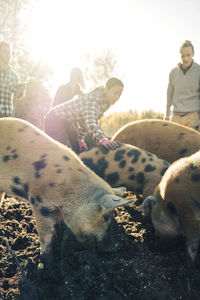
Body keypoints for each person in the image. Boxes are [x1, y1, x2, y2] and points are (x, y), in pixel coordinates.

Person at [44, 77, 123, 154]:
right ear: (106, 89)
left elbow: (84, 123)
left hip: (67, 122)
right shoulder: (93, 100)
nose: (117, 97)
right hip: (54, 119)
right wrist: (102, 139)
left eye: (119, 95)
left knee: (76, 149)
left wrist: (81, 140)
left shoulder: (104, 104)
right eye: (115, 93)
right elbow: (91, 123)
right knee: (63, 151)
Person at [165, 40, 200, 131]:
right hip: (175, 117)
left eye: (188, 55)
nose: (185, 59)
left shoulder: (199, 71)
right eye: (182, 56)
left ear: (193, 54)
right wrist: (167, 115)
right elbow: (169, 96)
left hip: (193, 118)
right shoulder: (173, 73)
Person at [0, 41, 26, 117]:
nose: (8, 54)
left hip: (6, 116)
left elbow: (18, 95)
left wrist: (21, 90)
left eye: (9, 52)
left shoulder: (14, 76)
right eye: (5, 51)